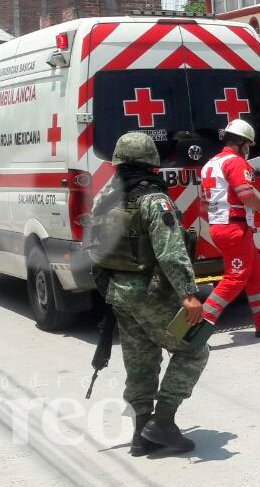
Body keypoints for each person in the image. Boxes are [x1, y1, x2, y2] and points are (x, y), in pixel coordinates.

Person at [85, 133, 207, 457]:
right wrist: (188, 294)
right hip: (153, 295)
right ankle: (163, 422)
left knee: (141, 362)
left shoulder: (104, 198)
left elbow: (93, 249)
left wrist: (108, 290)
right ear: (152, 163)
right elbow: (170, 250)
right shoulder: (155, 200)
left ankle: (141, 435)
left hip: (119, 296)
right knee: (195, 349)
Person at [198, 119, 260, 337]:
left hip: (220, 227)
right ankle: (197, 326)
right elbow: (245, 195)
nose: (248, 149)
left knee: (255, 275)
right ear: (238, 142)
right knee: (235, 279)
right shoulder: (235, 162)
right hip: (235, 228)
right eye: (247, 144)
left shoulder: (210, 164)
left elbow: (206, 204)